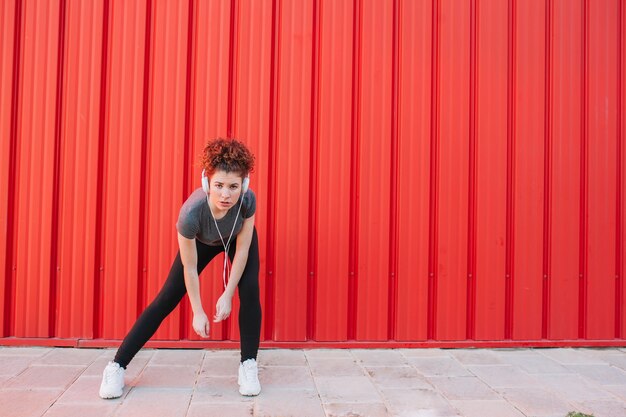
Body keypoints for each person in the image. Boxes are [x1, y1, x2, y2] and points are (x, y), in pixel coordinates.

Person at [99, 138, 262, 399]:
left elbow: (242, 250)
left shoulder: (247, 200)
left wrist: (228, 293)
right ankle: (116, 366)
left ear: (244, 185)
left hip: (235, 238)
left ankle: (248, 365)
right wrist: (198, 311)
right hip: (203, 241)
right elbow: (189, 267)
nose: (225, 194)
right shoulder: (191, 214)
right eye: (219, 185)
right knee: (166, 298)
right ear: (207, 183)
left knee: (250, 290)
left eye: (233, 187)